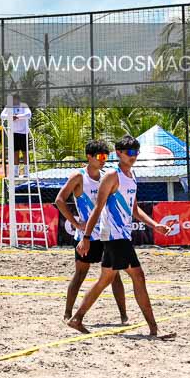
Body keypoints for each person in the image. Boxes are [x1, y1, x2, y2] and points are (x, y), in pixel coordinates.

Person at [68, 135, 175, 338]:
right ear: (119, 153)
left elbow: (134, 209)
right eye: (129, 153)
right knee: (138, 277)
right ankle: (154, 329)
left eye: (136, 153)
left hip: (121, 235)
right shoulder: (112, 176)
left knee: (104, 280)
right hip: (114, 236)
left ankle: (77, 318)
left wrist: (155, 225)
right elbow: (97, 208)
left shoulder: (132, 175)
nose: (133, 156)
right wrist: (86, 237)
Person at [54, 139, 127, 325]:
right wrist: (75, 223)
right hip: (86, 236)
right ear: (89, 156)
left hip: (106, 233)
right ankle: (67, 313)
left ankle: (124, 316)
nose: (103, 160)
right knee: (80, 275)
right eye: (100, 156)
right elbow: (59, 200)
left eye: (106, 157)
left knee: (115, 275)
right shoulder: (79, 177)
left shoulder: (106, 177)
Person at [0, 95, 32, 176]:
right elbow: (2, 116)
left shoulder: (24, 105)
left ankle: (26, 172)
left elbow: (28, 115)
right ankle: (15, 173)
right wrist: (10, 117)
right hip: (13, 133)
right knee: (15, 153)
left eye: (16, 99)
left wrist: (17, 117)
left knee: (25, 152)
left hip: (23, 133)